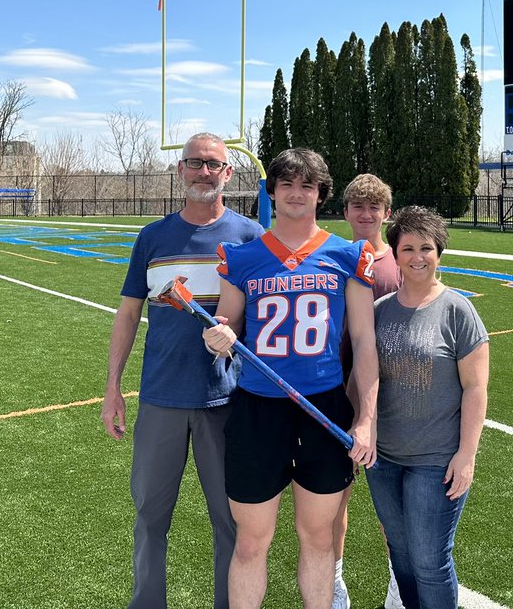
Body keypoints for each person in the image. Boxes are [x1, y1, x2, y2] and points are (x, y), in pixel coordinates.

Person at [202, 147, 379, 609]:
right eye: (287, 184)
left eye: (307, 185)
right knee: (251, 541)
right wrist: (218, 334)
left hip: (323, 407)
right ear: (273, 192)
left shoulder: (347, 255)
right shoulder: (241, 258)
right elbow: (229, 321)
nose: (296, 193)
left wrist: (365, 419)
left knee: (318, 538)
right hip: (259, 408)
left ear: (321, 194)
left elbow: (363, 341)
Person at [101, 133, 264, 609]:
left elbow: (267, 318)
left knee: (230, 522)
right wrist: (113, 388)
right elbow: (129, 314)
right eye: (194, 163)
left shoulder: (251, 237)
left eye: (213, 164)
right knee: (150, 517)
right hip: (161, 398)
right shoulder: (152, 238)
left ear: (229, 174)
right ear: (180, 171)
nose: (203, 172)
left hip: (227, 401)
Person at [365, 206, 490, 609]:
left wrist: (466, 455)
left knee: (430, 561)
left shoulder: (457, 310)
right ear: (395, 254)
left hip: (435, 461)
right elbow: (365, 379)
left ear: (439, 252)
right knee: (400, 556)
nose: (417, 256)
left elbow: (475, 388)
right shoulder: (380, 310)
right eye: (407, 248)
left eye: (426, 248)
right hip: (384, 460)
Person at [333, 173, 401, 609]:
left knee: (390, 502)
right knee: (335, 495)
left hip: (388, 396)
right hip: (337, 390)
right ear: (345, 212)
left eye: (374, 207)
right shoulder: (332, 257)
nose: (365, 214)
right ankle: (336, 585)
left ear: (386, 213)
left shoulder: (401, 261)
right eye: (358, 206)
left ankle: (398, 586)